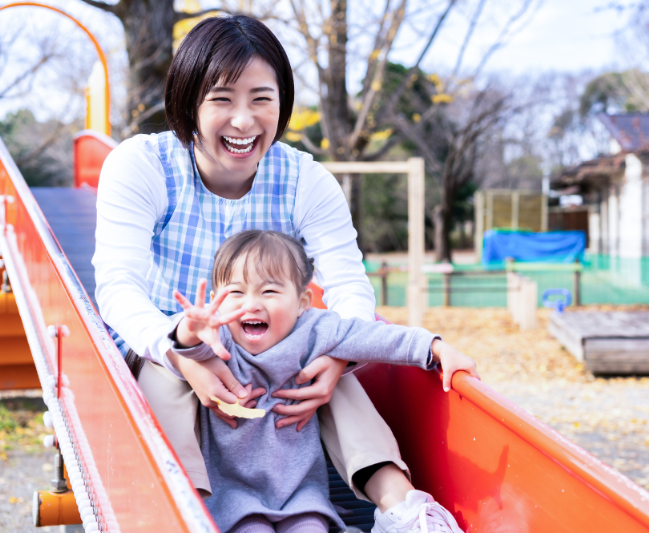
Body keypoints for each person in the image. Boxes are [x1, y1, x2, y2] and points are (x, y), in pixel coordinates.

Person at [93, 14, 469, 533]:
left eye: (261, 99)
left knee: (318, 349)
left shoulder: (304, 179)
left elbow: (348, 286)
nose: (244, 121)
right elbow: (118, 286)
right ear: (189, 101)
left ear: (281, 102)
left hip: (267, 344)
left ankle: (401, 508)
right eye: (222, 98)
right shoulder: (144, 165)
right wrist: (184, 352)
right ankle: (183, 512)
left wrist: (338, 356)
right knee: (165, 378)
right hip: (169, 335)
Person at [167, 230, 477, 533]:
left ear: (302, 302)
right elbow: (184, 347)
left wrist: (435, 348)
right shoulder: (217, 340)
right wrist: (189, 329)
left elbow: (376, 336)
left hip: (300, 492)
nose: (251, 304)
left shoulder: (314, 331)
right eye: (236, 292)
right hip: (234, 493)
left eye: (269, 291)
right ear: (216, 303)